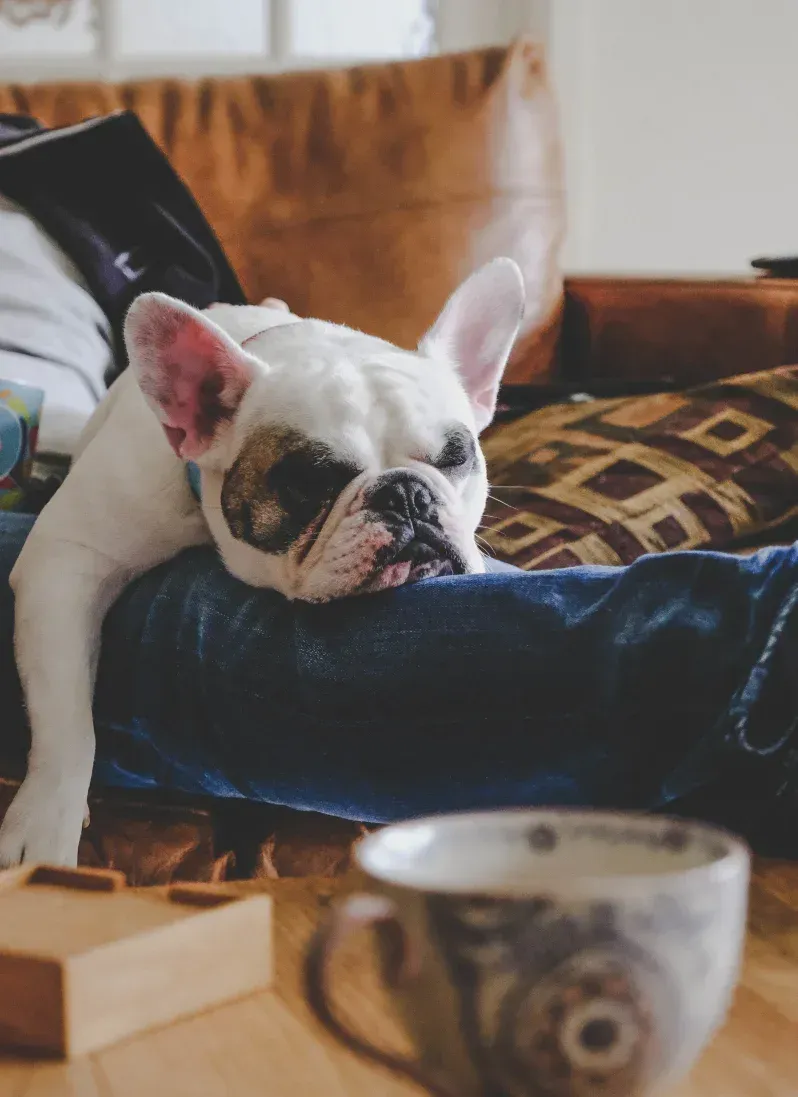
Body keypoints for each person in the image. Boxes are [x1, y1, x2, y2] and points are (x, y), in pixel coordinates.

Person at [1, 507, 796, 857]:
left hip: (116, 460)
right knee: (245, 639)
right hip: (38, 521)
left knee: (461, 602)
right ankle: (763, 648)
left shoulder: (106, 197)